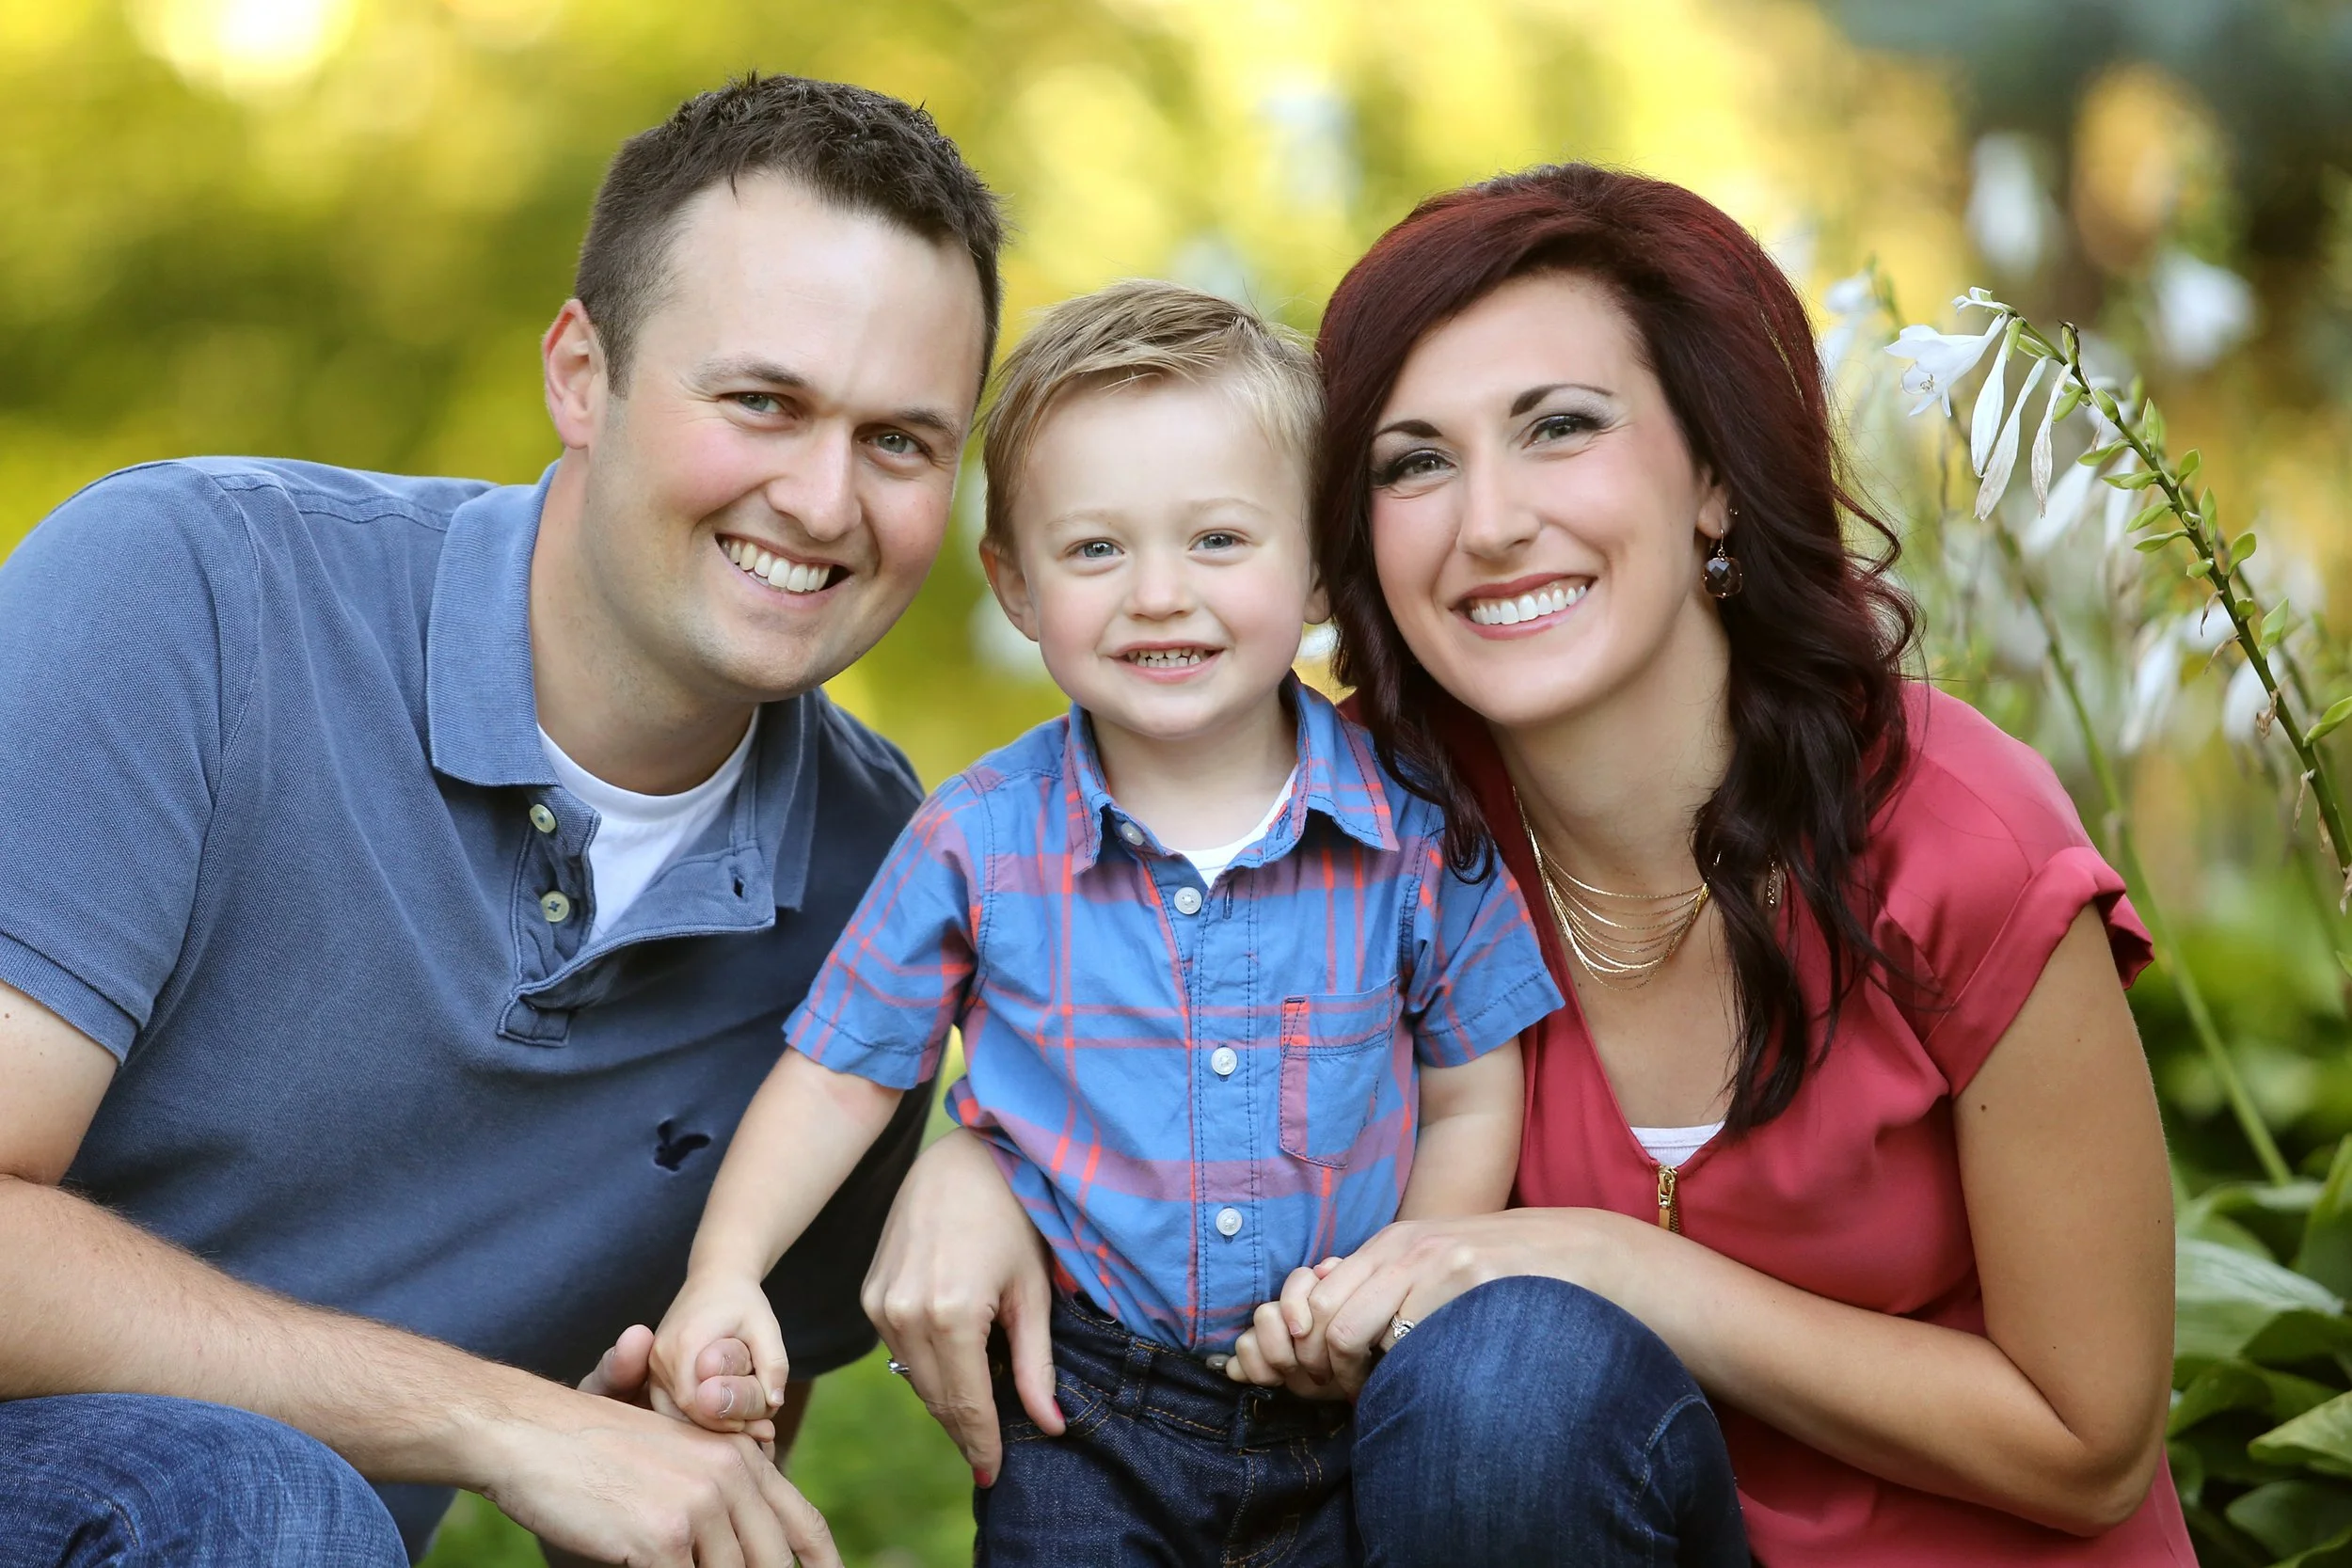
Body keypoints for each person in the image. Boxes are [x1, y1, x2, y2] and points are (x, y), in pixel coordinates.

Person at [848, 166, 2193, 1565]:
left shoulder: (1957, 836)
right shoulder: (1362, 829)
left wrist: (1617, 1265)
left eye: (1560, 428)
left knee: (1511, 1362)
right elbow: (1131, 1037)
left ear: (1715, 476)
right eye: (1415, 462)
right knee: (1502, 1389)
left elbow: (2090, 1444)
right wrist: (976, 1173)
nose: (1488, 522)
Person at [0, 73, 1001, 1567]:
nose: (821, 498)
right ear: (582, 376)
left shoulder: (881, 884)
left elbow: (694, 1465)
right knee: (264, 1497)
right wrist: (502, 1422)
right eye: (763, 402)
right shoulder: (193, 592)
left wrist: (654, 1469)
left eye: (901, 442)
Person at [647, 279, 1560, 1564]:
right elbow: (840, 1070)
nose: (1159, 595)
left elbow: (1470, 1087)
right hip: (1079, 1407)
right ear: (1017, 587)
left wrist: (1398, 1283)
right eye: (1095, 550)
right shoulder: (977, 839)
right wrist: (727, 1268)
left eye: (1219, 540)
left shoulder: (1417, 831)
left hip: (1350, 1403)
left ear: (1318, 566)